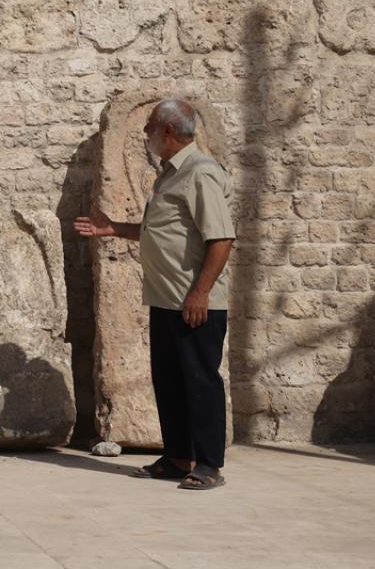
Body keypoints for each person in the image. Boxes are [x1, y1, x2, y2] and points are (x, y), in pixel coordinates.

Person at [75, 99, 237, 490]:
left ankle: (209, 464)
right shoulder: (170, 174)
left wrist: (200, 293)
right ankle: (179, 455)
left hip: (194, 302)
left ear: (167, 131)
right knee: (169, 381)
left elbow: (221, 238)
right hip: (166, 298)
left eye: (149, 129)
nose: (146, 136)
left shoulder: (200, 173)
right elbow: (163, 232)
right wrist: (113, 228)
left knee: (200, 381)